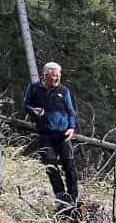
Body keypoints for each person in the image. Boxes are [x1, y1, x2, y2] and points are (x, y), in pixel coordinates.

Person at [23, 62, 78, 208]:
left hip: (63, 135)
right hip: (45, 134)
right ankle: (61, 200)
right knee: (51, 167)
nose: (57, 78)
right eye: (54, 75)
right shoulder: (34, 88)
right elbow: (26, 105)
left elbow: (71, 112)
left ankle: (73, 200)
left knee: (70, 167)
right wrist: (34, 111)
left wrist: (72, 128)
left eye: (59, 75)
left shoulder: (64, 91)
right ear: (46, 75)